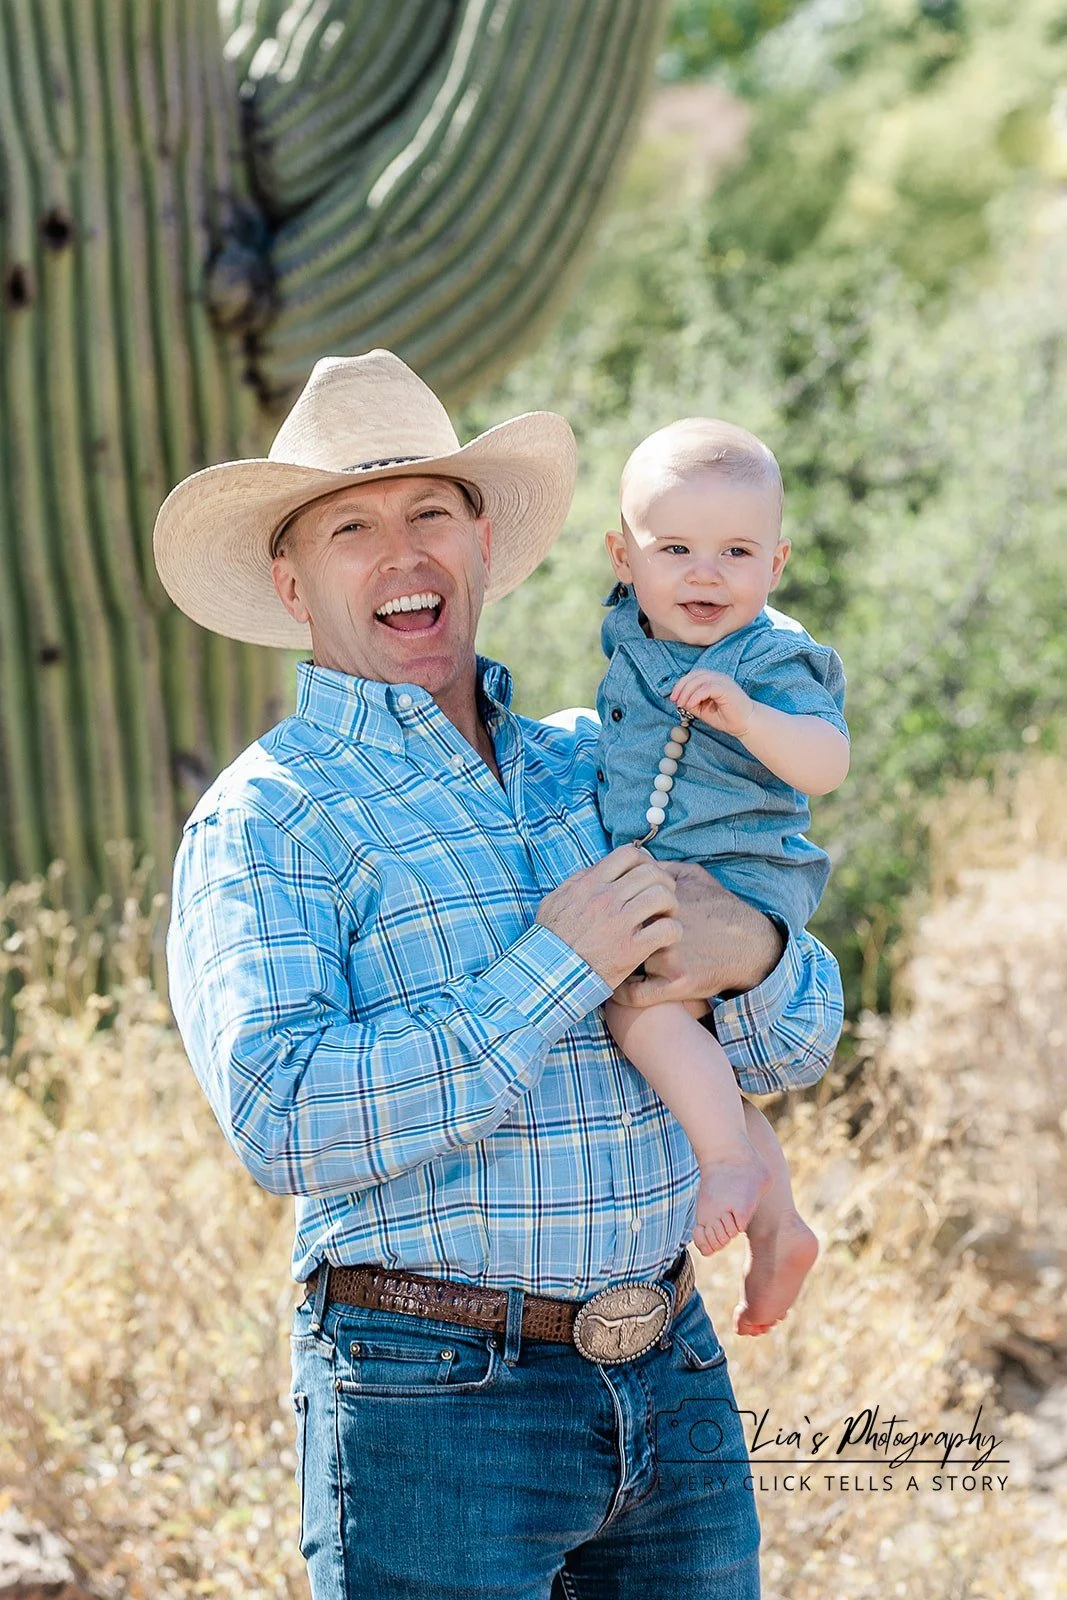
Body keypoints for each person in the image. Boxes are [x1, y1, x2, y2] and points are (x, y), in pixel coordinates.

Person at [155, 350, 844, 1600]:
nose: (402, 553)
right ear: (290, 580)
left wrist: (755, 954)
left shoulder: (602, 762)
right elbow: (281, 1117)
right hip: (430, 1399)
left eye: (431, 512)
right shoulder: (272, 820)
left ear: (483, 542)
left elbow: (788, 1048)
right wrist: (551, 968)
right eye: (351, 527)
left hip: (668, 1370)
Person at [595, 418, 849, 1338]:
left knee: (641, 1011)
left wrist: (748, 719)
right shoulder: (633, 633)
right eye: (676, 549)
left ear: (775, 562)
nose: (705, 574)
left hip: (742, 878)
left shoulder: (769, 657)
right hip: (670, 873)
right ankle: (778, 1225)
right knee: (688, 1049)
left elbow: (825, 762)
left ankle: (726, 1165)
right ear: (623, 558)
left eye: (736, 551)